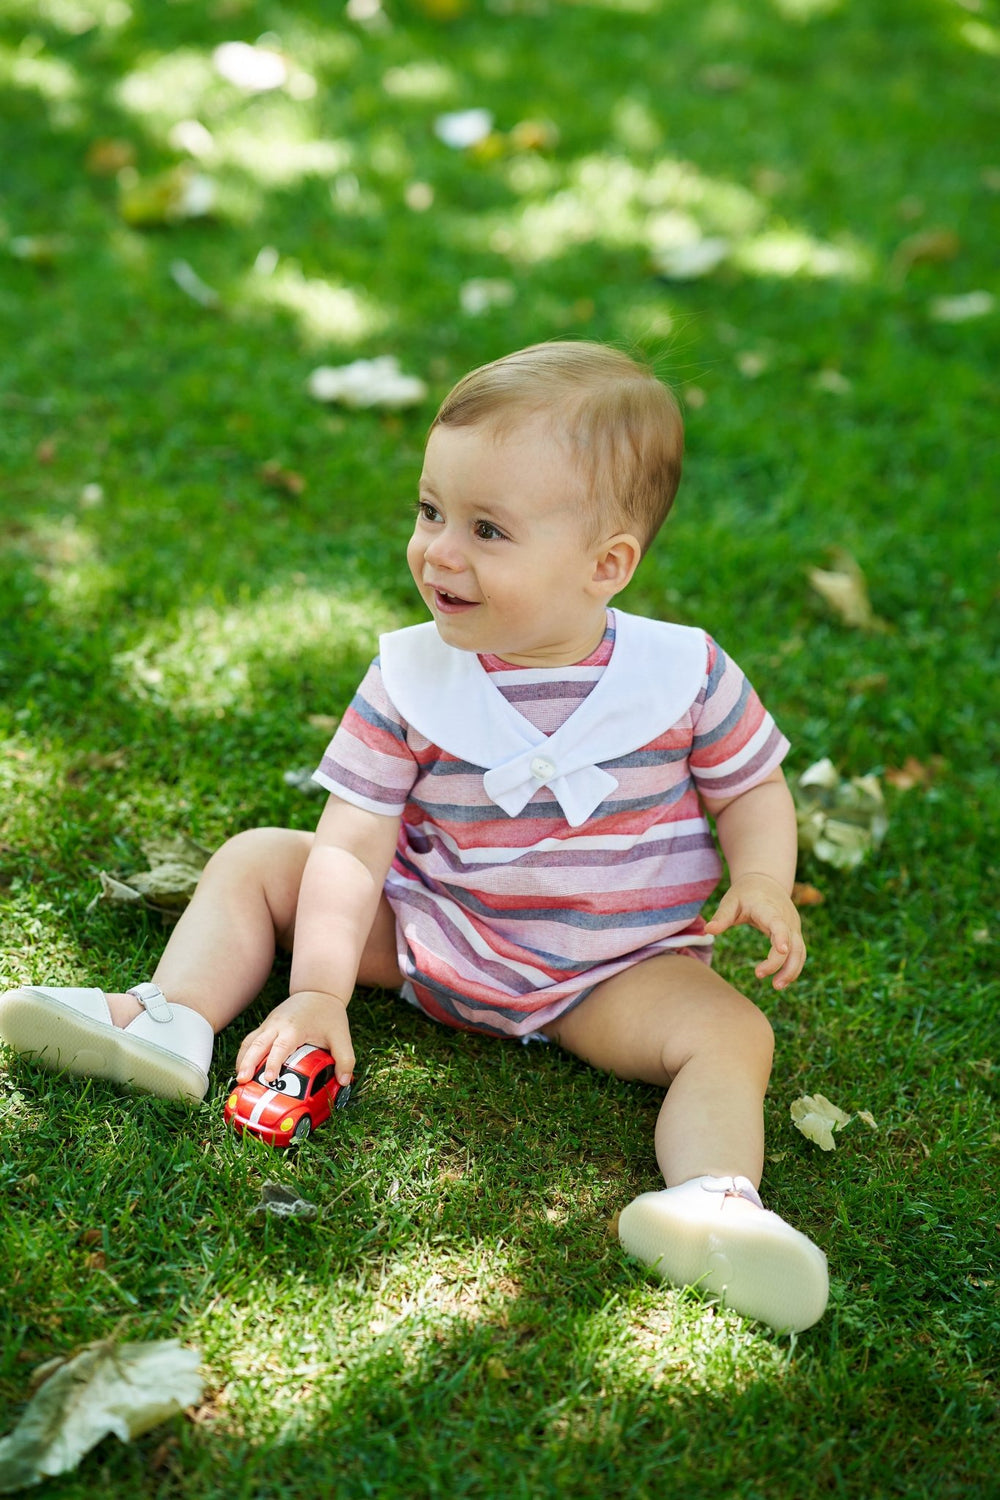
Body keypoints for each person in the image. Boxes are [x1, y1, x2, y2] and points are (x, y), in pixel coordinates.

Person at [0, 341, 828, 1333]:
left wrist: (765, 876)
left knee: (732, 1033)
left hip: (609, 973)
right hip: (434, 929)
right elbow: (352, 845)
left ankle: (712, 1200)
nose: (438, 550)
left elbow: (751, 784)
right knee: (266, 858)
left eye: (487, 529)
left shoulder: (682, 675)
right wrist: (316, 990)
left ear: (607, 565)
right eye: (430, 511)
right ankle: (168, 1019)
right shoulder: (409, 679)